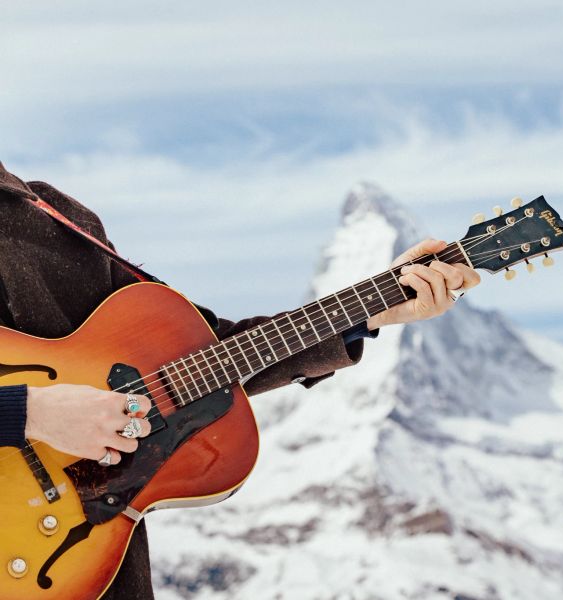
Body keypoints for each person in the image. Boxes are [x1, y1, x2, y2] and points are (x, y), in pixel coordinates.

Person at [0, 160, 479, 599]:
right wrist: (30, 413)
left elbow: (204, 355)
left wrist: (375, 307)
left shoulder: (53, 215)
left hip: (78, 564)